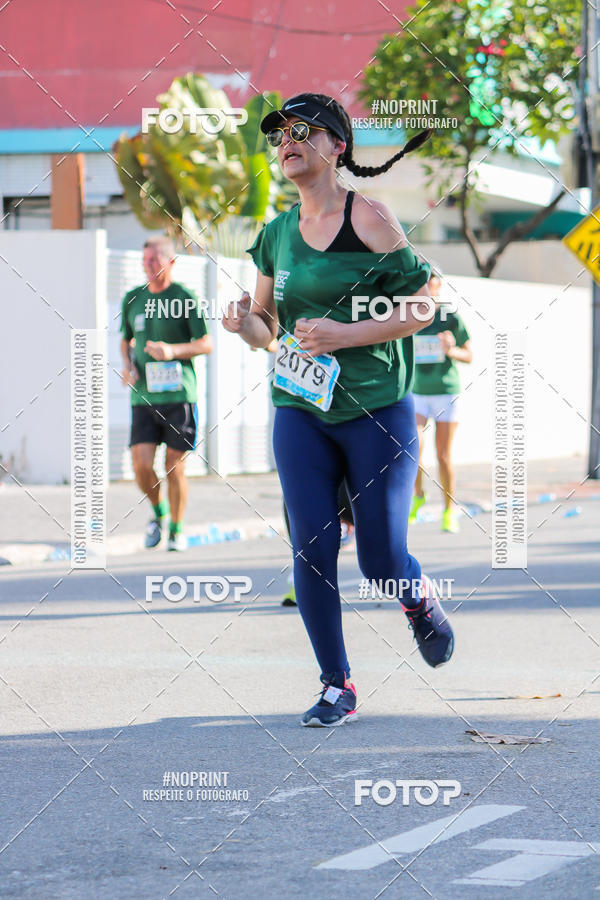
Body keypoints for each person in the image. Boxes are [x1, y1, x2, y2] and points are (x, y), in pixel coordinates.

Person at [223, 93, 454, 727]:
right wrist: (245, 325)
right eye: (279, 134)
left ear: (337, 145)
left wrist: (345, 334)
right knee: (311, 547)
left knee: (380, 561)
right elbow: (268, 327)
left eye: (302, 130)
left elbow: (423, 305)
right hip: (300, 406)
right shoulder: (275, 233)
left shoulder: (370, 218)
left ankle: (416, 599)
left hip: (376, 408)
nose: (287, 142)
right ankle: (337, 685)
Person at [120, 236, 213, 551]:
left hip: (178, 396)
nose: (147, 266)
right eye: (144, 260)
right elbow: (125, 339)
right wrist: (127, 366)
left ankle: (176, 529)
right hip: (143, 396)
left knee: (175, 465)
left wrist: (172, 351)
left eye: (154, 260)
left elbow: (206, 343)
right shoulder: (133, 298)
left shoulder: (185, 297)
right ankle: (159, 513)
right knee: (141, 464)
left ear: (171, 262)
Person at [409, 266, 472, 533]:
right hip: (418, 391)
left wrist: (451, 350)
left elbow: (469, 355)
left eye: (431, 281)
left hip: (445, 392)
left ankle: (449, 510)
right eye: (421, 281)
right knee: (412, 447)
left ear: (438, 285)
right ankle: (418, 496)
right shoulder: (408, 316)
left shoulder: (449, 317)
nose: (426, 286)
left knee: (443, 455)